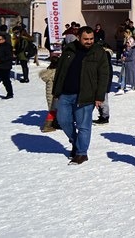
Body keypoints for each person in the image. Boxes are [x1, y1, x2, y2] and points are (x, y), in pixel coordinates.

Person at [52, 26, 111, 165]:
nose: (89, 41)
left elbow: (104, 76)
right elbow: (60, 71)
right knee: (63, 120)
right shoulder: (69, 49)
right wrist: (56, 91)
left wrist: (99, 96)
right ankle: (76, 142)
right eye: (86, 39)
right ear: (78, 37)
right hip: (66, 93)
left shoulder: (99, 53)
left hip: (86, 95)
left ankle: (81, 153)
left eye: (91, 39)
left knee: (83, 125)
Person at [39, 55, 60, 132]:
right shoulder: (55, 73)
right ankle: (47, 126)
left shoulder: (49, 71)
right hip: (53, 94)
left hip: (49, 94)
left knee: (55, 109)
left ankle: (55, 123)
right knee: (53, 110)